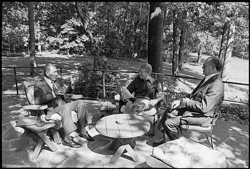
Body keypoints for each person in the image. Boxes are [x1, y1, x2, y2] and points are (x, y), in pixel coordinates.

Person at [153, 56, 224, 146]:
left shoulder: (217, 84)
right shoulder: (208, 79)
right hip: (195, 111)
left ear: (212, 67)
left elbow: (204, 107)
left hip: (203, 117)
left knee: (169, 123)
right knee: (168, 112)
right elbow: (193, 96)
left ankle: (177, 146)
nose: (202, 67)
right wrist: (179, 101)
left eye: (204, 65)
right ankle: (166, 142)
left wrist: (186, 102)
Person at [34, 63, 94, 148]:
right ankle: (67, 139)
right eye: (54, 72)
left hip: (64, 104)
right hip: (52, 108)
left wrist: (70, 87)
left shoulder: (57, 81)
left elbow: (64, 94)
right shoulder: (39, 84)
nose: (57, 74)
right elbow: (37, 101)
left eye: (57, 72)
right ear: (47, 73)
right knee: (65, 108)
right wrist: (53, 93)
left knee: (81, 102)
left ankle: (83, 131)